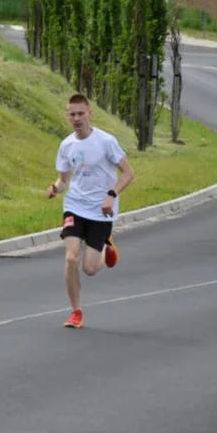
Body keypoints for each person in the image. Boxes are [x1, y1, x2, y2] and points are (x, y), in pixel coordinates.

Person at [46, 93, 135, 328]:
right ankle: (76, 312)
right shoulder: (66, 145)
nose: (76, 118)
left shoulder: (106, 142)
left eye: (80, 113)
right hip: (74, 205)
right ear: (67, 116)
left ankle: (107, 247)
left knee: (90, 269)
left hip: (101, 212)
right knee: (71, 257)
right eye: (72, 114)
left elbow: (128, 173)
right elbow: (64, 179)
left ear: (90, 114)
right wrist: (55, 188)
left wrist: (111, 195)